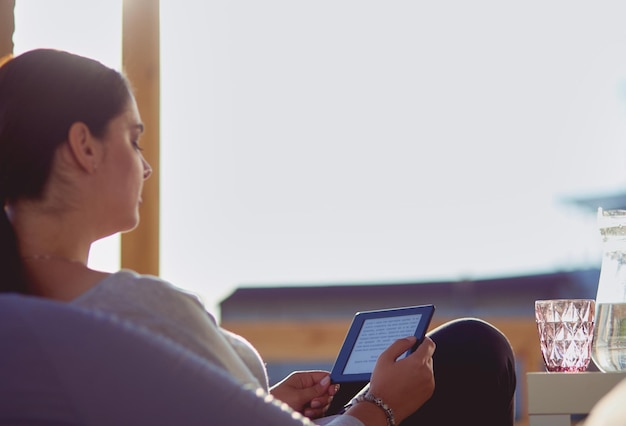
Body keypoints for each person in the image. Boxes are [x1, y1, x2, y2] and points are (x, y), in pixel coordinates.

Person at [0, 48, 516, 425]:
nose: (147, 166)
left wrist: (260, 400)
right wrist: (381, 404)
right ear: (84, 147)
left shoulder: (25, 316)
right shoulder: (135, 308)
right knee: (474, 349)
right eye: (133, 140)